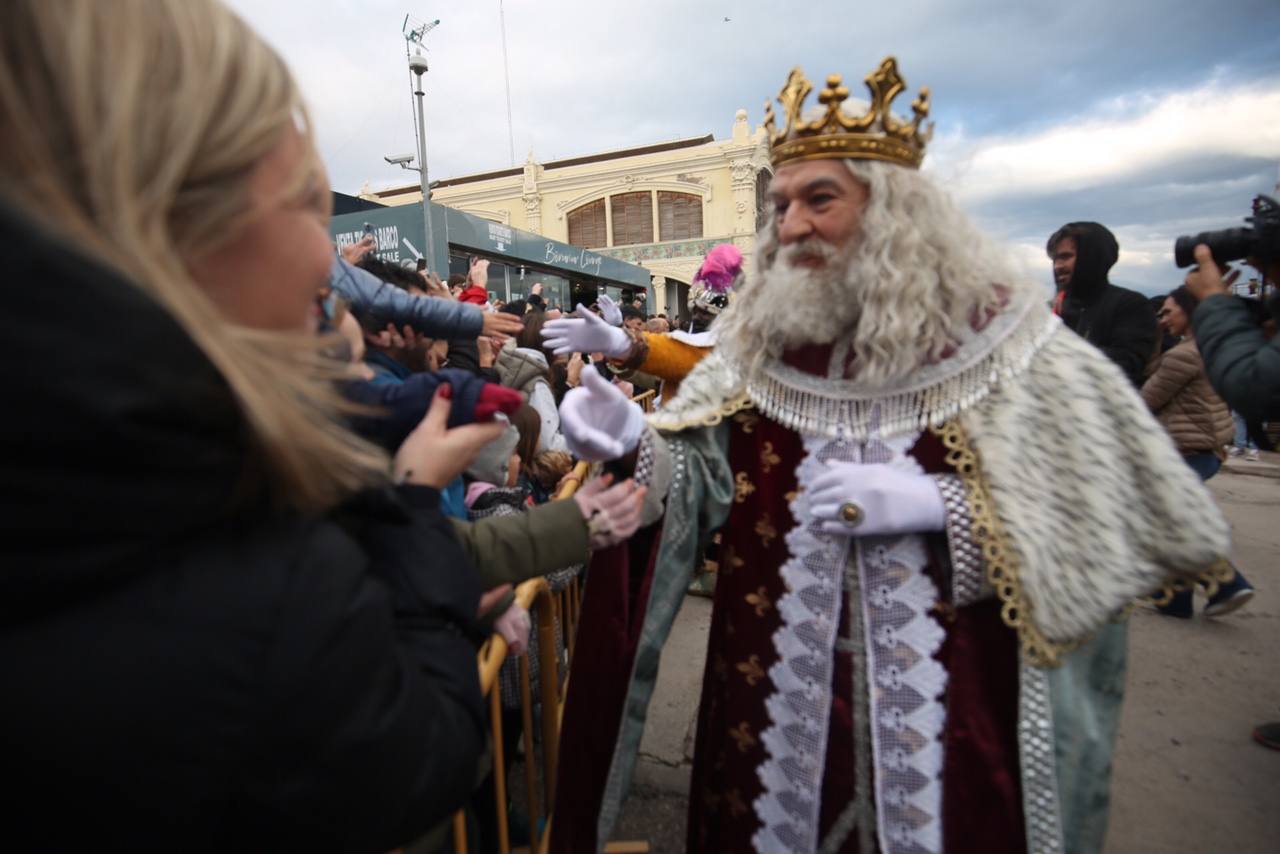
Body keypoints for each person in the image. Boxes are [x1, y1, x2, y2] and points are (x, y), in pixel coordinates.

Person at [547, 58, 1232, 854]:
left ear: (896, 209)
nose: (792, 224)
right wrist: (635, 447)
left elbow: (1124, 505)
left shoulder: (1008, 342)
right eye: (780, 204)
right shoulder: (762, 347)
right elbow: (702, 480)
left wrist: (947, 510)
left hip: (951, 722)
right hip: (770, 700)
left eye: (821, 199)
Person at [0, 1, 512, 849]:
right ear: (184, 222)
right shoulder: (259, 597)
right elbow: (423, 753)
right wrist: (412, 518)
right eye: (305, 208)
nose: (330, 262)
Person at [1142, 286, 1254, 617]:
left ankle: (1227, 582)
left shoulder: (1183, 355)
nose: (1163, 319)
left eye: (1168, 312)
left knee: (1175, 521)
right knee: (1171, 520)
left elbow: (1147, 397)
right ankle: (1173, 598)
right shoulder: (1206, 349)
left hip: (1186, 448)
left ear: (1188, 312)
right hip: (1205, 448)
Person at [543, 243, 743, 400]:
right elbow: (651, 370)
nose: (698, 318)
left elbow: (687, 361)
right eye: (696, 312)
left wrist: (618, 339)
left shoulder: (742, 354)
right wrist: (616, 339)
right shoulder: (680, 349)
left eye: (707, 313)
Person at [1047, 221, 1158, 388]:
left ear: (1092, 257)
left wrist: (1055, 350)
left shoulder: (1130, 305)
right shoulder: (1050, 310)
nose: (1058, 266)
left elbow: (1126, 364)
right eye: (1055, 259)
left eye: (1066, 257)